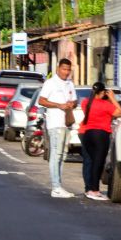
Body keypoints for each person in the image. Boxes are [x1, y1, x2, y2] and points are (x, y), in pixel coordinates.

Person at [39, 58, 78, 198]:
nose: (66, 72)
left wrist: (71, 104)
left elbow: (75, 100)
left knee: (63, 155)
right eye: (64, 69)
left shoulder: (70, 84)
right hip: (55, 123)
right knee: (56, 154)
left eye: (68, 70)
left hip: (66, 123)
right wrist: (59, 105)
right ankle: (56, 187)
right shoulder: (50, 83)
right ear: (58, 69)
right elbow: (41, 100)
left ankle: (59, 185)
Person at [78, 81, 121, 200]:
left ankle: (89, 188)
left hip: (87, 134)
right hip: (100, 135)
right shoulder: (105, 105)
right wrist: (112, 98)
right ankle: (95, 190)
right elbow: (119, 112)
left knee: (91, 162)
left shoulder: (86, 102)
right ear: (102, 92)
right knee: (98, 163)